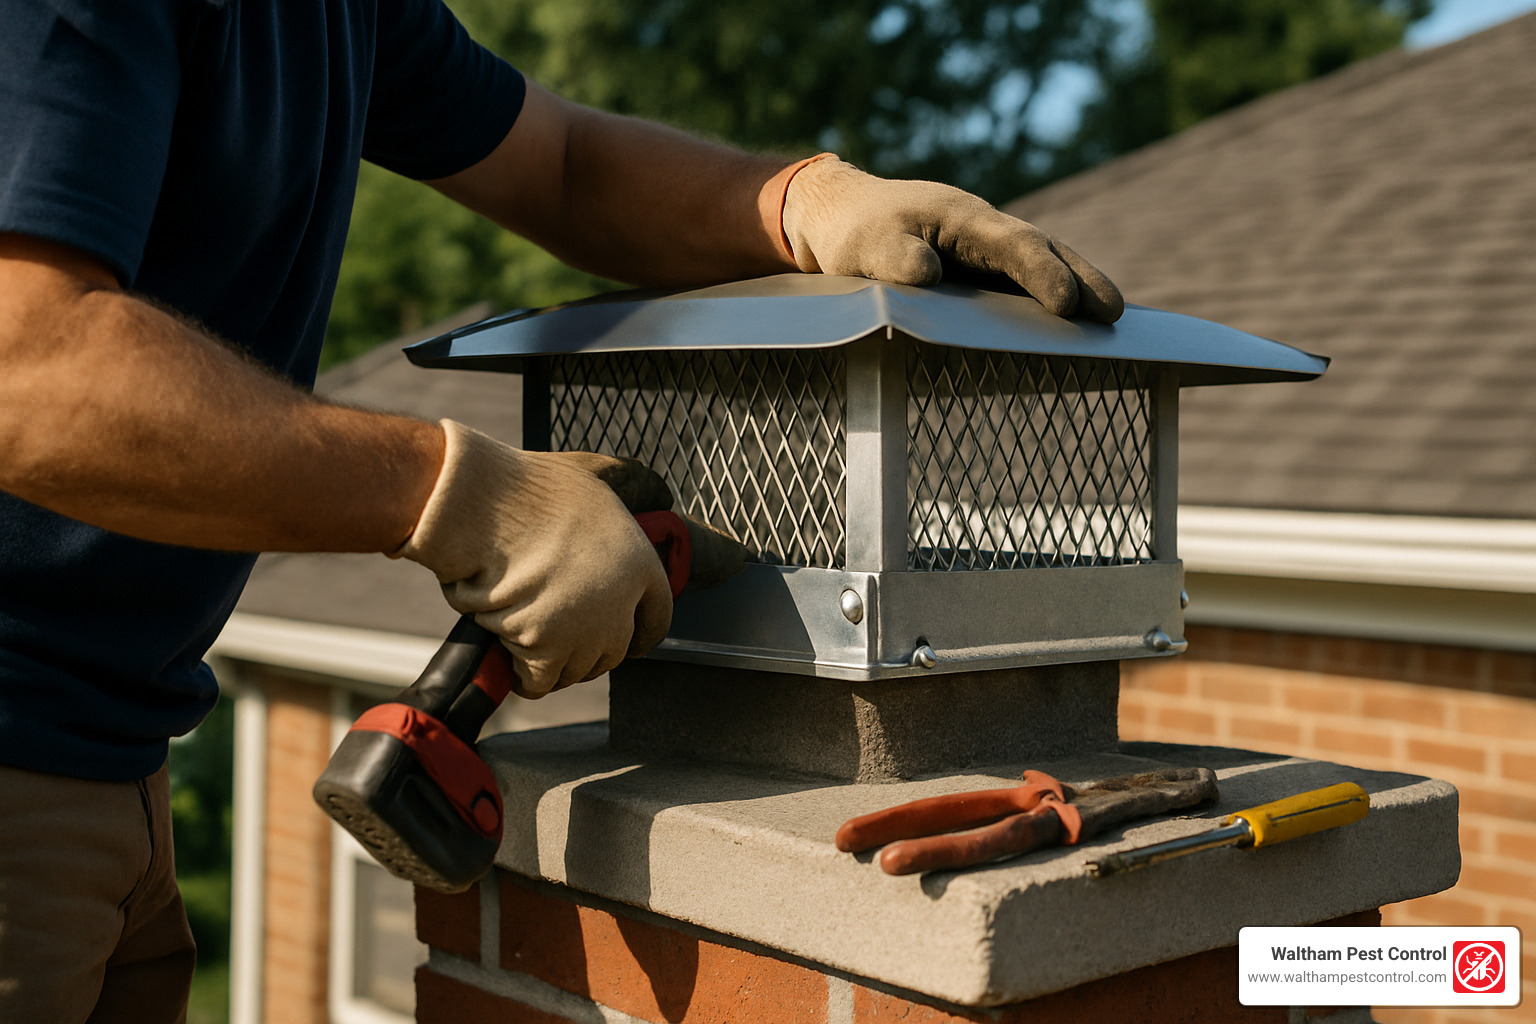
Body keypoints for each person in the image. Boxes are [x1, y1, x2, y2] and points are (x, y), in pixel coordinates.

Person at [0, 0, 1124, 1019]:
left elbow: (561, 163)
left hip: (111, 759)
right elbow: (26, 369)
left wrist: (800, 203)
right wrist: (462, 497)